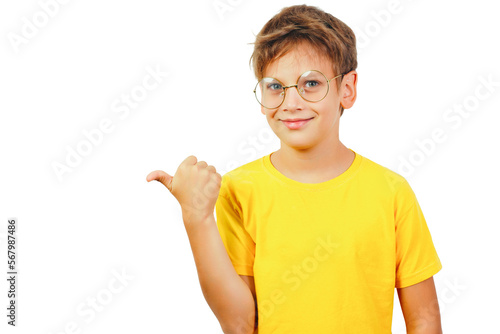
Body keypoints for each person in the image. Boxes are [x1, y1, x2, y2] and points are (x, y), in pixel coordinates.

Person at [146, 4, 443, 333]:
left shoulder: (391, 192)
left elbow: (424, 319)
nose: (291, 102)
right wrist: (197, 218)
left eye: (311, 84)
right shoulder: (239, 190)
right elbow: (239, 324)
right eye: (275, 86)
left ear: (347, 89)